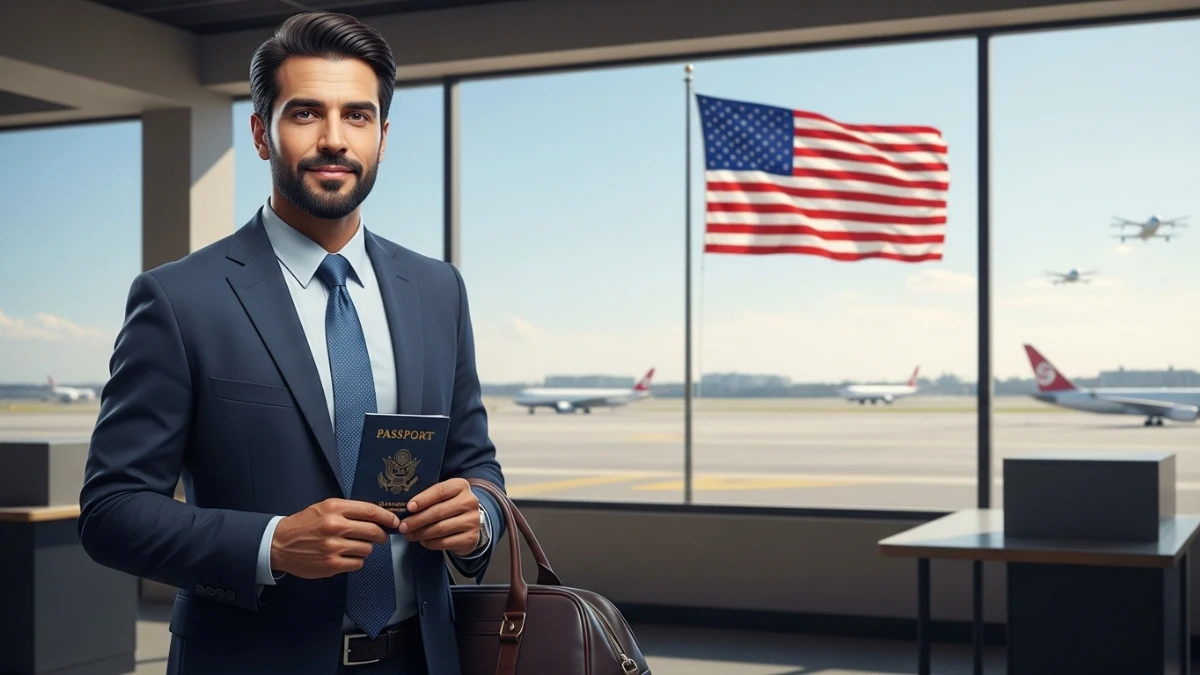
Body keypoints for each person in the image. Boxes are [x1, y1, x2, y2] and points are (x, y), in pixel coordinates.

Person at [77, 11, 506, 675]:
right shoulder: (180, 300)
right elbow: (111, 512)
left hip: (422, 659)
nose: (335, 139)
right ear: (260, 132)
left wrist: (477, 515)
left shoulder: (438, 290)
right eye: (306, 113)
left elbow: (476, 464)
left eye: (357, 116)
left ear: (383, 138)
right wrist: (272, 543)